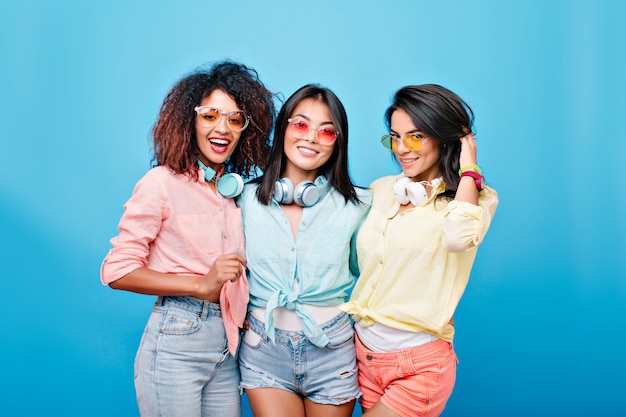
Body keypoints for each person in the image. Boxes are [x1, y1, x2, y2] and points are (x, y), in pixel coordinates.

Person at [100, 60, 275, 417]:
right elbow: (115, 271)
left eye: (235, 119)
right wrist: (199, 285)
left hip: (227, 347)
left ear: (245, 129)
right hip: (177, 340)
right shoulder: (160, 183)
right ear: (189, 120)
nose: (222, 128)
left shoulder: (234, 193)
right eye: (210, 115)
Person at [342, 84, 499, 417]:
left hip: (418, 364)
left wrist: (469, 166)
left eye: (415, 136)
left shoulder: (475, 200)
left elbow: (458, 238)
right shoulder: (382, 189)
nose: (402, 148)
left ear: (444, 138)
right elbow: (357, 261)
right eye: (395, 137)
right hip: (363, 355)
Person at [237, 84, 372, 417]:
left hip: (332, 350)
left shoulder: (361, 205)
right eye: (300, 125)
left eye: (326, 132)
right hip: (263, 347)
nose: (311, 137)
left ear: (338, 142)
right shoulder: (242, 200)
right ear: (283, 127)